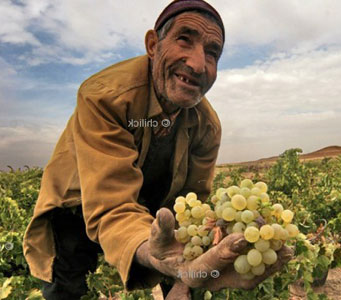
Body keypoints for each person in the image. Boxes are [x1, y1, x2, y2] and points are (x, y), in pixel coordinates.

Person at [22, 0, 292, 299]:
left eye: (212, 53)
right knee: (67, 286)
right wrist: (155, 254)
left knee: (187, 273)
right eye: (184, 39)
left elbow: (193, 205)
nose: (198, 64)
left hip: (153, 207)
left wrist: (183, 282)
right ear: (153, 45)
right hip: (77, 205)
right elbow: (110, 204)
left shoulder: (207, 125)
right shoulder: (105, 97)